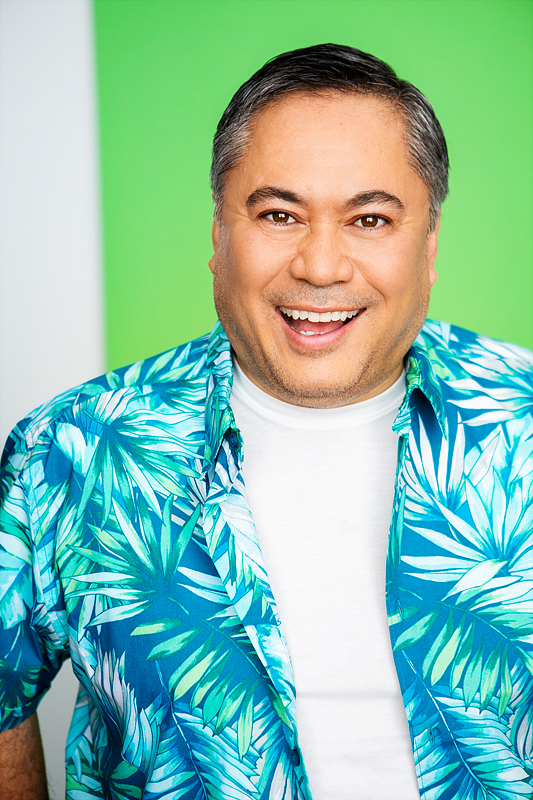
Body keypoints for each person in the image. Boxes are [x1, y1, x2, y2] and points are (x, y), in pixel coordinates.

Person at [0, 43, 532, 800]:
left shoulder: (524, 424)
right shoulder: (74, 449)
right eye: (279, 214)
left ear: (428, 245)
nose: (320, 265)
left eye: (370, 218)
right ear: (218, 237)